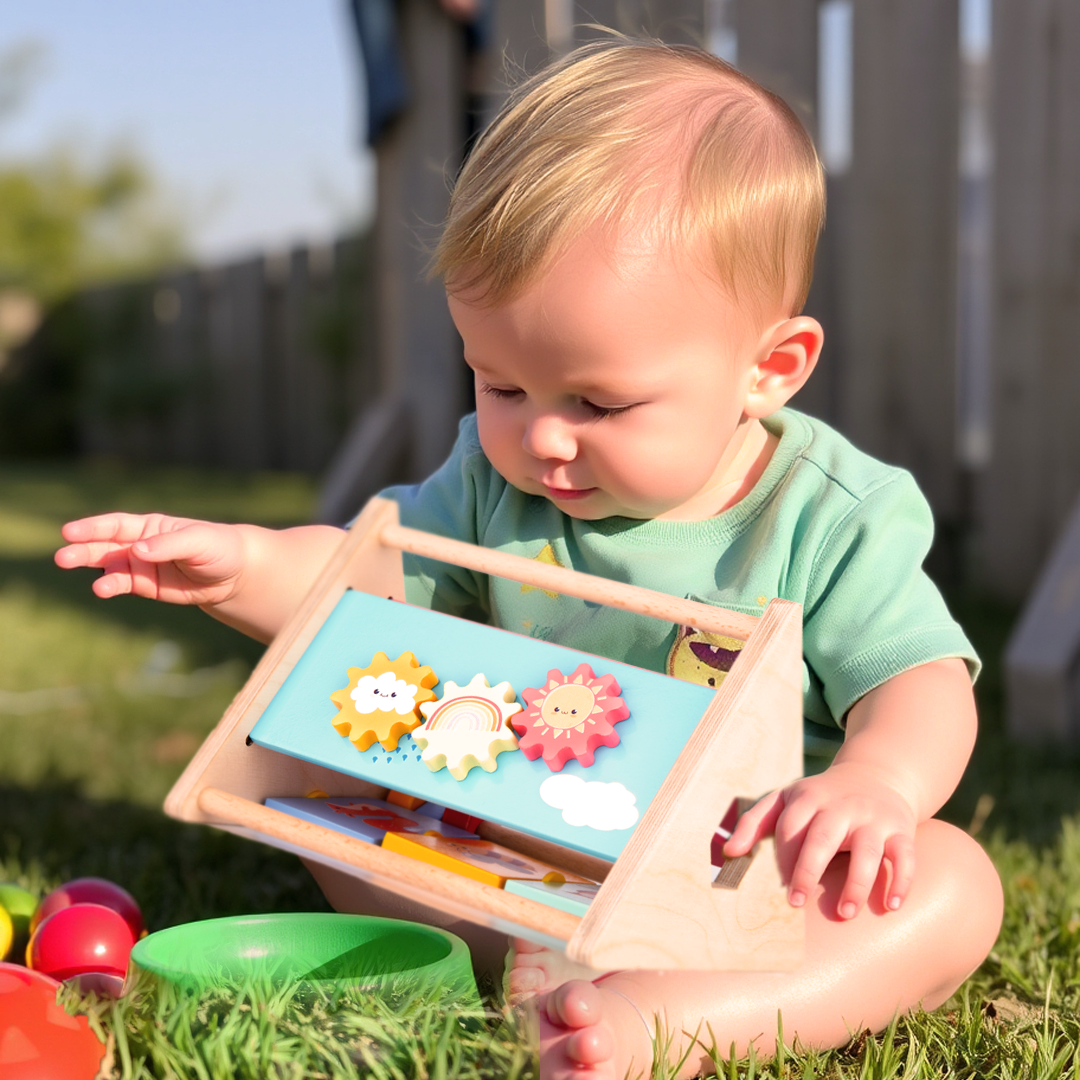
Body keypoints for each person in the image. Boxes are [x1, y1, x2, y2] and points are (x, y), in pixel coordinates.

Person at [55, 39, 1002, 1080]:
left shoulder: (829, 516)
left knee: (955, 885)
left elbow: (921, 680)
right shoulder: (490, 483)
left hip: (744, 884)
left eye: (597, 402)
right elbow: (370, 584)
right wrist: (249, 568)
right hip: (518, 851)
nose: (543, 438)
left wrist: (876, 782)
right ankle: (543, 965)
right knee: (304, 755)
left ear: (768, 369)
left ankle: (676, 1019)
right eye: (498, 383)